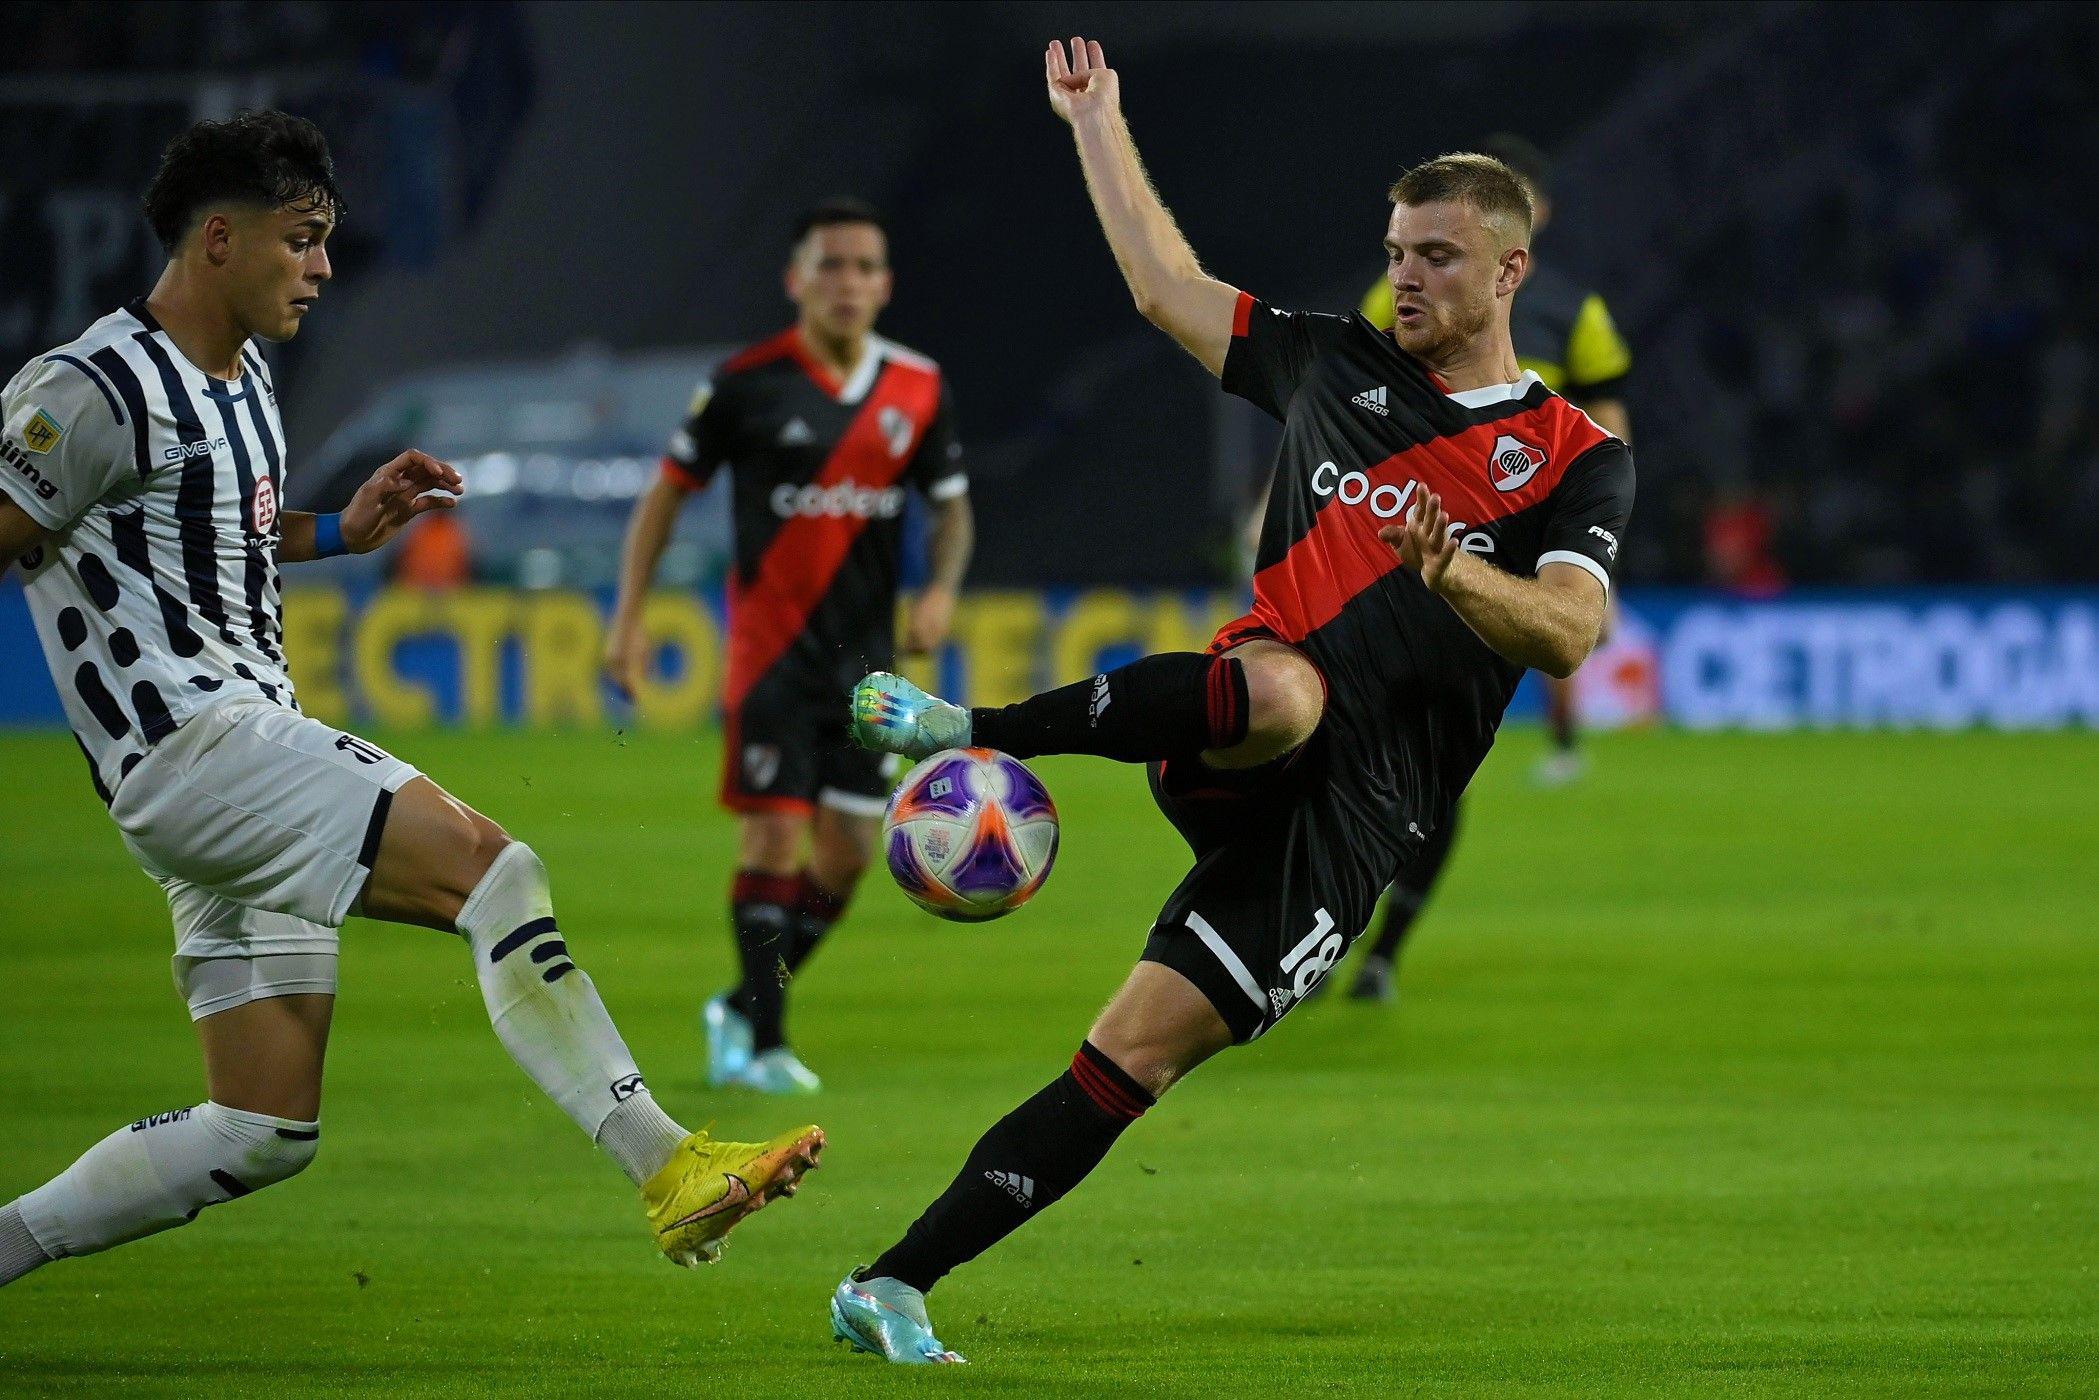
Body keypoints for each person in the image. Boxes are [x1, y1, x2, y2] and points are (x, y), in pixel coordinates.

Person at [825, 38, 1634, 1364]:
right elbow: (1160, 286)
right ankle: (963, 730)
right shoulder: (1328, 367)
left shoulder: (1571, 459)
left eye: (1436, 253)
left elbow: (1567, 629)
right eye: (1394, 248)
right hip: (1239, 726)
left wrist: (1452, 571)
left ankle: (890, 1284)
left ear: (1508, 270)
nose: (1405, 273)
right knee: (1284, 690)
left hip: (1359, 821)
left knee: (1129, 1058)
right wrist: (1097, 120)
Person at [0, 111, 820, 1292]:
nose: (324, 267)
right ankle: (666, 1166)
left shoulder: (241, 377)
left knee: (261, 1125)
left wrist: (342, 527)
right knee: (496, 870)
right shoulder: (90, 387)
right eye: (303, 239)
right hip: (196, 743)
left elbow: (210, 530)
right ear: (219, 238)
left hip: (219, 755)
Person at [605, 199, 973, 1096]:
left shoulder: (918, 387)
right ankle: (765, 1045)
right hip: (769, 658)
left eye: (862, 267)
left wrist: (940, 589)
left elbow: (954, 504)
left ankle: (738, 1003)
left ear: (884, 285)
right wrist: (628, 616)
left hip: (868, 673)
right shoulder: (746, 384)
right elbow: (664, 496)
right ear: (796, 279)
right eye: (830, 265)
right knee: (773, 839)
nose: (846, 283)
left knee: (846, 857)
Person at [1344, 134, 1637, 1002]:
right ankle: (1316, 926)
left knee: (1434, 756)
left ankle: (1383, 948)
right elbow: (1341, 399)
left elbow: (1608, 418)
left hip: (1502, 560)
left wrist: (1595, 554)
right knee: (1344, 744)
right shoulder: (1401, 296)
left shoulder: (1576, 308)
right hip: (1398, 538)